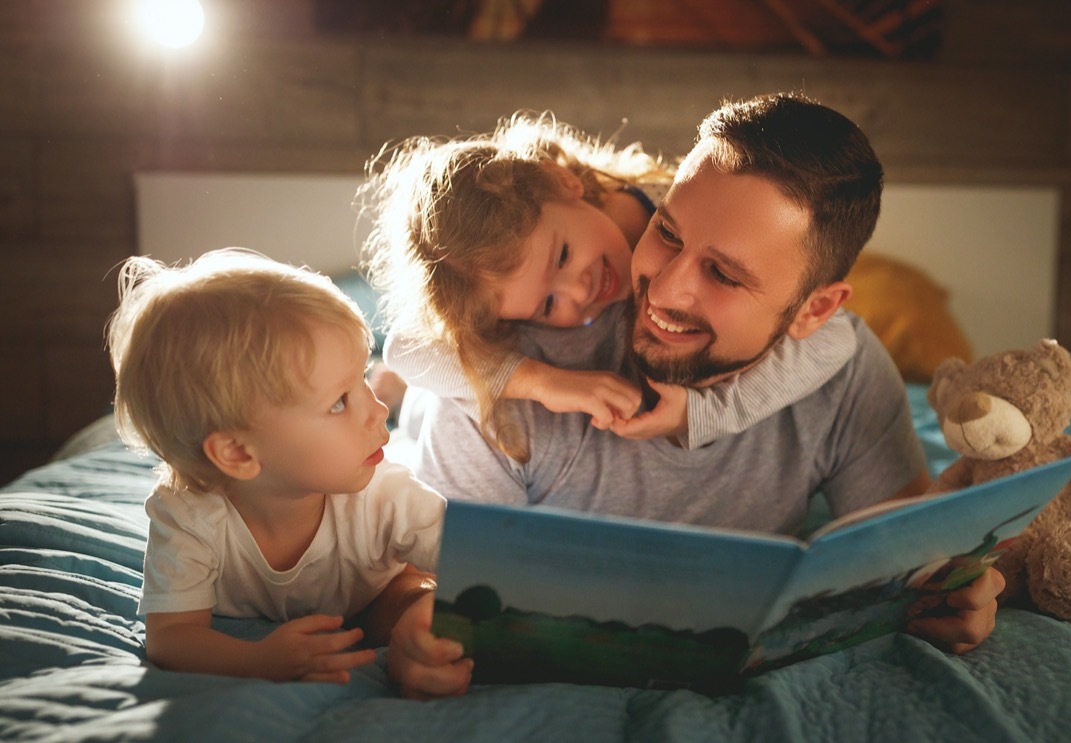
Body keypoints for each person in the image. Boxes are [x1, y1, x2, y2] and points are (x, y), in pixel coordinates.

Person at [385, 92, 1005, 700]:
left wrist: (951, 594)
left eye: (724, 274)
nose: (664, 292)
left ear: (815, 310)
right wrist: (414, 624)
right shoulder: (490, 371)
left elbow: (907, 555)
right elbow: (426, 584)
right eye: (668, 234)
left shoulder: (845, 372)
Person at [360, 111, 858, 456]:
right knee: (442, 388)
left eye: (563, 255)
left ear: (564, 183)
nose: (579, 293)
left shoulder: (687, 207)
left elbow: (837, 337)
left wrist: (702, 414)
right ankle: (397, 392)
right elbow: (408, 345)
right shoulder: (540, 286)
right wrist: (542, 382)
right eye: (547, 305)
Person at [106, 249, 448, 685]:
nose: (377, 411)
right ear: (238, 454)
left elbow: (481, 562)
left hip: (377, 596)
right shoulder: (189, 515)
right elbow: (171, 638)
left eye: (364, 379)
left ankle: (416, 650)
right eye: (339, 401)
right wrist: (257, 660)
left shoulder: (385, 494)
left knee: (415, 596)